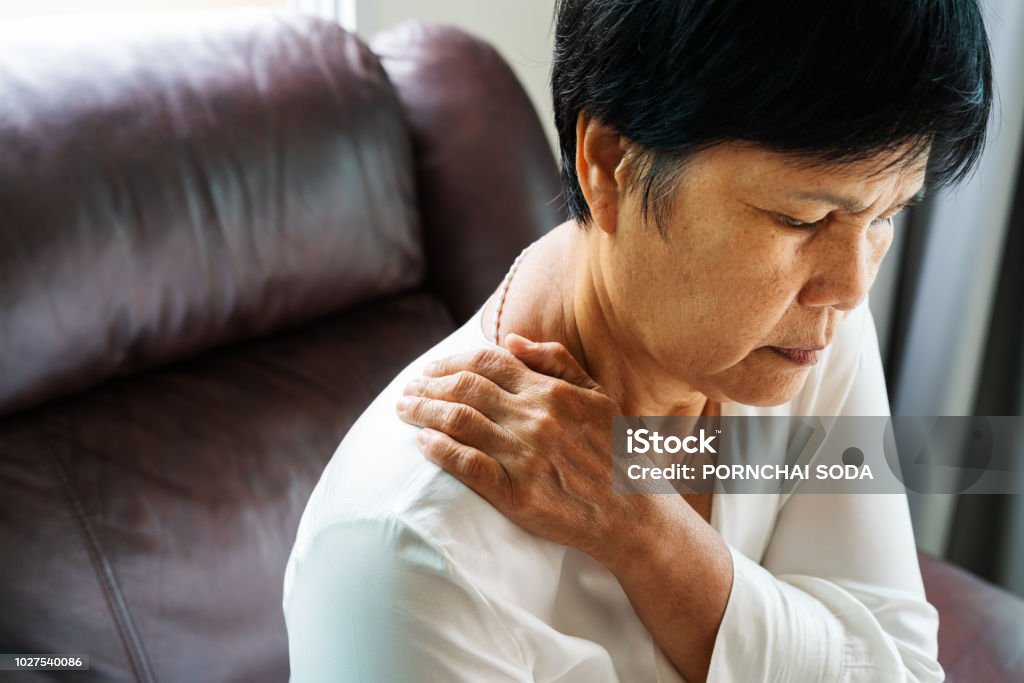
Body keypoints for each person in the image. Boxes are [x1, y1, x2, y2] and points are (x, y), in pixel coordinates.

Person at [282, 1, 992, 681]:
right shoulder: (405, 555)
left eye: (885, 215)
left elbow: (897, 668)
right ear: (610, 163)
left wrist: (644, 528)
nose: (850, 283)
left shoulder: (803, 329)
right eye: (799, 219)